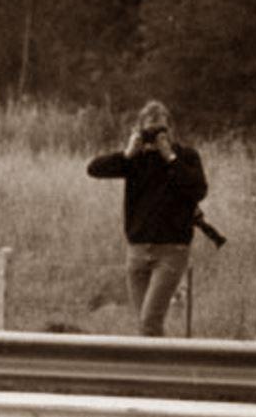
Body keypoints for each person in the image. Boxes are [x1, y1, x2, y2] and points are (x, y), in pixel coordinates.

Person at [86, 101, 208, 336]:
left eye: (159, 130)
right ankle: (161, 359)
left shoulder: (185, 156)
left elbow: (198, 190)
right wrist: (127, 154)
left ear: (170, 130)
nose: (154, 137)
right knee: (145, 327)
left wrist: (170, 156)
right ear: (139, 130)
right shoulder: (135, 160)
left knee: (149, 321)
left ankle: (161, 359)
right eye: (148, 131)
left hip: (172, 249)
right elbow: (93, 169)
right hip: (138, 249)